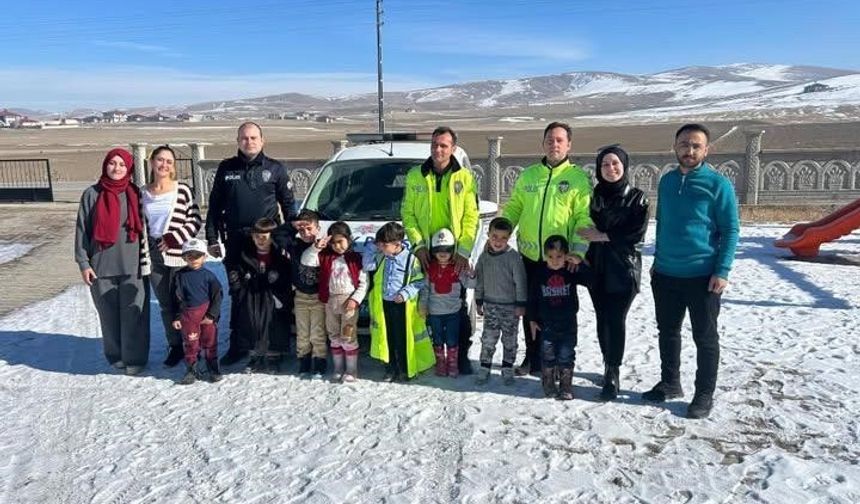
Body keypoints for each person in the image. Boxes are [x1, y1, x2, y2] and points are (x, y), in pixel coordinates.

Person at [641, 123, 739, 419]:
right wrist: (658, 263)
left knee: (705, 337)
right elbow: (665, 224)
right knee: (668, 332)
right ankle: (670, 382)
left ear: (706, 150)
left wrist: (722, 270)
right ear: (675, 147)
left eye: (696, 145)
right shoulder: (668, 181)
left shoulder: (717, 184)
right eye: (684, 144)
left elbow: (731, 229)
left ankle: (703, 393)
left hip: (702, 275)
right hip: (666, 273)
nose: (690, 150)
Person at [502, 121, 593, 377]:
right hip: (530, 258)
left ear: (569, 145)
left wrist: (577, 251)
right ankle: (532, 359)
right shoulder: (529, 175)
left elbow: (583, 218)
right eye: (550, 140)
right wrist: (502, 229)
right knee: (531, 309)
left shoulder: (577, 178)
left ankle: (554, 361)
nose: (554, 144)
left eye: (560, 140)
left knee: (555, 312)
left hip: (558, 260)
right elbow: (515, 207)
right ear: (543, 143)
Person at [205, 122, 295, 366]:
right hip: (237, 242)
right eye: (244, 138)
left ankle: (277, 346)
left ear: (262, 140)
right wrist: (212, 238)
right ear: (238, 141)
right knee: (240, 294)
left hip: (268, 241)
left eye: (254, 137)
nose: (249, 142)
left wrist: (287, 239)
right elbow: (214, 207)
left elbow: (289, 207)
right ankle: (239, 346)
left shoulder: (275, 169)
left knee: (272, 293)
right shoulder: (226, 168)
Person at [401, 126, 480, 373]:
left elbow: (471, 215)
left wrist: (464, 250)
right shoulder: (416, 175)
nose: (438, 149)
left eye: (443, 145)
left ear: (453, 148)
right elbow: (407, 213)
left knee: (458, 306)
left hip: (454, 253)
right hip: (426, 254)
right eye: (435, 144)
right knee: (427, 306)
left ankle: (461, 357)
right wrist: (419, 245)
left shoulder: (465, 177)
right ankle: (429, 355)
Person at [579, 145, 649, 401]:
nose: (611, 169)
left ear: (624, 165)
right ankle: (607, 362)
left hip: (623, 268)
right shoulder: (593, 196)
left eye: (615, 163)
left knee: (616, 319)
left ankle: (613, 372)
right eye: (605, 165)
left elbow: (636, 234)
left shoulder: (637, 198)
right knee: (601, 318)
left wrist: (603, 235)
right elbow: (581, 221)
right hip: (597, 267)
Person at [74, 148, 151, 375]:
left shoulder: (135, 193)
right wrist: (83, 262)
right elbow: (81, 230)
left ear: (129, 169)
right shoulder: (91, 194)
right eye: (112, 163)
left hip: (133, 266)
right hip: (101, 266)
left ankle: (135, 358)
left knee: (134, 314)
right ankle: (116, 355)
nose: (116, 168)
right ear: (105, 165)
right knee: (108, 316)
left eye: (122, 165)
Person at [142, 145, 202, 368]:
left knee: (184, 303)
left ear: (173, 166)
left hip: (179, 255)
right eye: (160, 160)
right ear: (151, 162)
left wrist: (174, 238)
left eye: (169, 161)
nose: (164, 165)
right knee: (166, 305)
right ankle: (175, 346)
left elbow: (195, 220)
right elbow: (140, 226)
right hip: (154, 256)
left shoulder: (182, 190)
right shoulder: (142, 193)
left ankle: (191, 345)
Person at [363, 222, 434, 382]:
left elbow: (418, 281)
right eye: (379, 244)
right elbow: (367, 264)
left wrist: (404, 294)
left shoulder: (411, 260)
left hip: (401, 307)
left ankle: (405, 368)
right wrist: (373, 247)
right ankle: (390, 368)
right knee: (387, 338)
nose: (381, 247)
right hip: (384, 306)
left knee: (402, 339)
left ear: (397, 244)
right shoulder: (381, 257)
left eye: (384, 244)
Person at [301, 221, 368, 382]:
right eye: (333, 243)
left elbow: (364, 282)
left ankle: (351, 369)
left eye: (340, 242)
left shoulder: (356, 259)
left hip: (349, 303)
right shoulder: (324, 256)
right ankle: (338, 367)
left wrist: (355, 299)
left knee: (348, 335)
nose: (337, 246)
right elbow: (306, 260)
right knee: (334, 335)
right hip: (330, 302)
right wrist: (317, 247)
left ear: (349, 239)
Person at [528, 236, 592, 400]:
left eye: (559, 256)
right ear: (544, 256)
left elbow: (590, 279)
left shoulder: (570, 271)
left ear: (566, 256)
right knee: (547, 353)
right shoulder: (540, 272)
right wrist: (532, 319)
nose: (555, 261)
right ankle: (548, 382)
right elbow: (533, 297)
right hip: (546, 323)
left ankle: (566, 385)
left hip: (568, 321)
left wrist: (580, 262)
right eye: (550, 256)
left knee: (566, 354)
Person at [227, 217, 292, 373]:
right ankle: (254, 354)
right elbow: (235, 269)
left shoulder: (280, 256)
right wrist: (237, 283)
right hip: (251, 294)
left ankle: (273, 355)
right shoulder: (246, 254)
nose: (260, 241)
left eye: (264, 237)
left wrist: (278, 283)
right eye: (257, 237)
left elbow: (287, 274)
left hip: (272, 294)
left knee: (273, 323)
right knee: (251, 322)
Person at [473, 218, 527, 385]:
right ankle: (485, 366)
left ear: (509, 238)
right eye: (495, 236)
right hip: (490, 305)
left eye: (503, 238)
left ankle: (507, 367)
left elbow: (520, 282)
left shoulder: (513, 257)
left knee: (510, 340)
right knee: (488, 338)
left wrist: (520, 304)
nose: (498, 241)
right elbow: (480, 280)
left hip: (510, 308)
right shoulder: (484, 258)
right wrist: (479, 300)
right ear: (488, 235)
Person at [418, 228, 474, 378]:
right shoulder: (430, 268)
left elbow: (470, 284)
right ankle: (440, 363)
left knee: (451, 339)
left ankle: (452, 363)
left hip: (453, 312)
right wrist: (422, 306)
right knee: (437, 339)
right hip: (435, 312)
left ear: (453, 251)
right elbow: (425, 289)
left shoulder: (457, 268)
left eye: (447, 250)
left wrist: (471, 274)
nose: (443, 254)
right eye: (439, 250)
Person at [170, 238, 223, 385]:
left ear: (205, 256)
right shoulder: (179, 276)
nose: (193, 260)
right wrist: (176, 317)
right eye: (189, 256)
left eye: (197, 256)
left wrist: (212, 315)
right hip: (188, 316)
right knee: (190, 342)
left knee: (210, 341)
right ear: (184, 257)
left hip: (206, 314)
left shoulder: (209, 276)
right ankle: (192, 367)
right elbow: (174, 298)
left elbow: (217, 296)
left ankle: (212, 366)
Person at [288, 209, 327, 377]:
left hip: (319, 297)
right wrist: (292, 225)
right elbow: (277, 236)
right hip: (301, 296)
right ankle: (304, 360)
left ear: (318, 228)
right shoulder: (295, 246)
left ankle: (320, 361)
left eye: (309, 228)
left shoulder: (325, 247)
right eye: (301, 229)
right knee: (302, 332)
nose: (306, 233)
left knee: (317, 332)